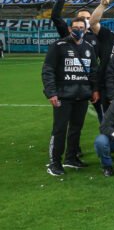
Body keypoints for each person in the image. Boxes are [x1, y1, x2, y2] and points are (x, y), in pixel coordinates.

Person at [41, 16, 99, 176]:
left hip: (82, 95)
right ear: (69, 28)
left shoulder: (88, 47)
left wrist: (94, 89)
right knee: (59, 129)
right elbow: (48, 70)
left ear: (86, 30)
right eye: (75, 27)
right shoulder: (59, 45)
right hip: (63, 95)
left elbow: (93, 70)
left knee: (76, 128)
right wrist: (51, 92)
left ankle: (71, 158)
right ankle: (54, 162)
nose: (78, 30)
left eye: (81, 28)